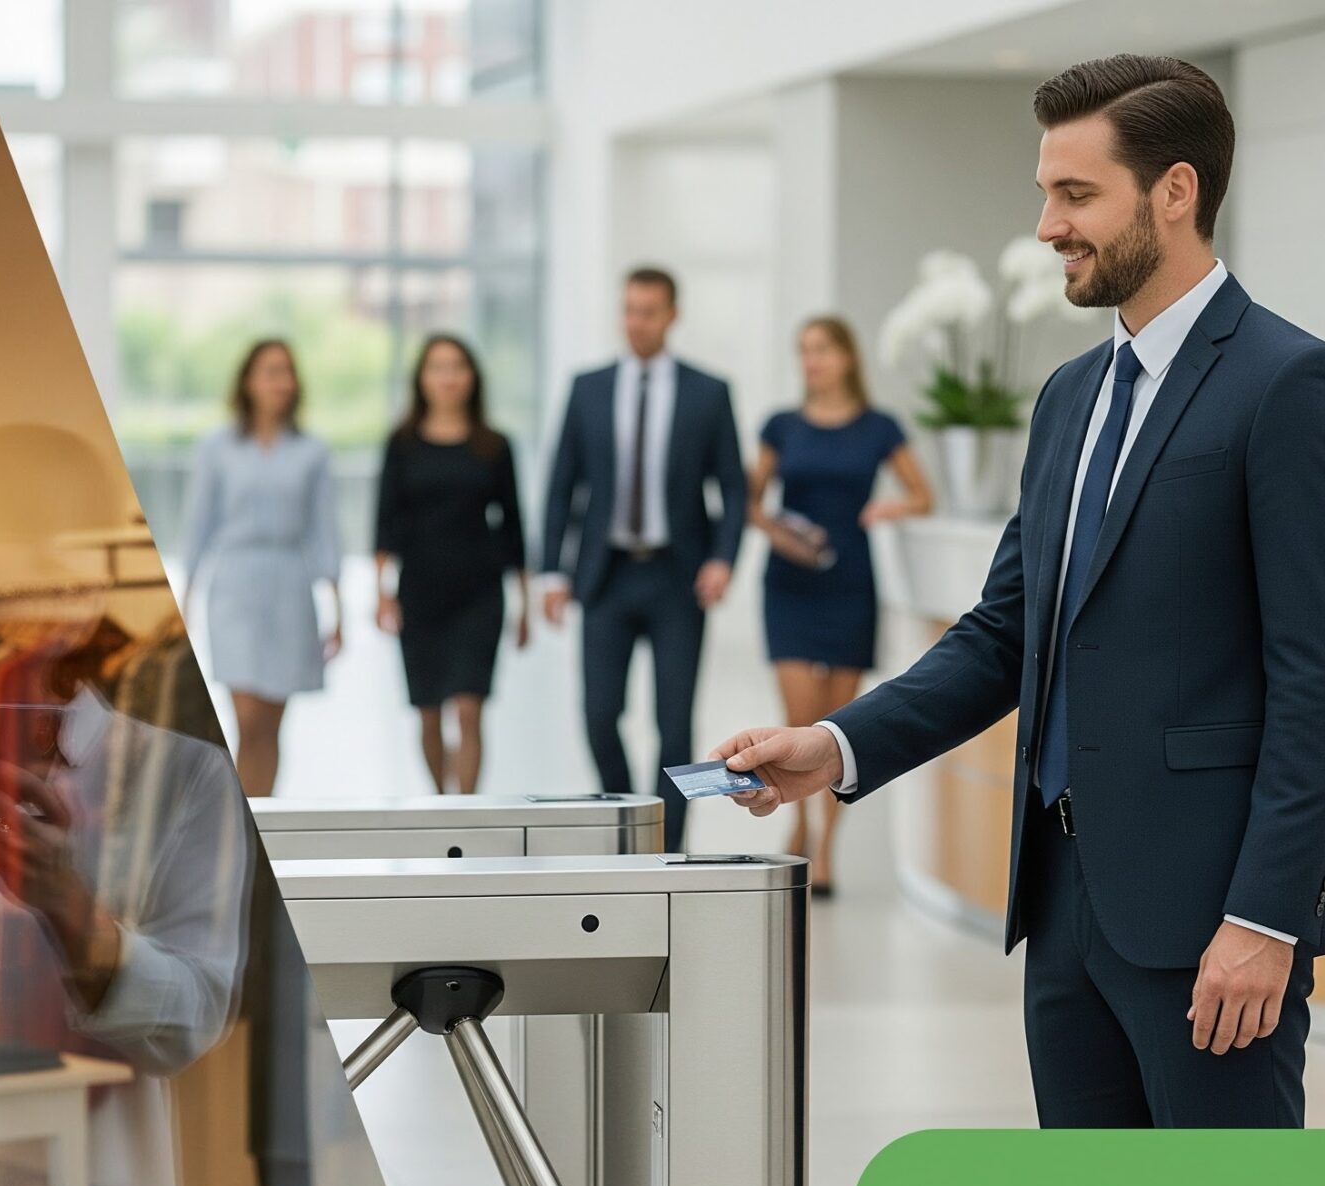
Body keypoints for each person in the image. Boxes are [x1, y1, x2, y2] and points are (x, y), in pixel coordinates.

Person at [716, 56, 1325, 1129]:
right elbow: (1003, 635)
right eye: (1045, 193)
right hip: (1062, 909)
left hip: (1213, 920)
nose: (1046, 226)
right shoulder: (1070, 398)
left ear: (1174, 191)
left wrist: (1265, 917)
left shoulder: (1291, 385)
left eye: (1075, 194)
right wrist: (835, 746)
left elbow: (1322, 682)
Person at [539, 267, 748, 850]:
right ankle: (626, 829)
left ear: (672, 316)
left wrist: (723, 559)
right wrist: (552, 570)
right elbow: (561, 485)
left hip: (678, 578)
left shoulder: (709, 392)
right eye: (629, 309)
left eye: (649, 311)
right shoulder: (588, 388)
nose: (636, 322)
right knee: (598, 715)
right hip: (604, 576)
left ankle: (671, 846)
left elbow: (734, 487)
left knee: (676, 725)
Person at [751, 317, 933, 895]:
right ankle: (799, 824)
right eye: (803, 351)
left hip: (850, 582)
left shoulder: (880, 427)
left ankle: (827, 845)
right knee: (798, 715)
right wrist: (778, 533)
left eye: (822, 350)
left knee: (836, 728)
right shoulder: (781, 425)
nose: (812, 361)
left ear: (847, 357)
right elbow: (749, 502)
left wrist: (889, 508)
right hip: (789, 583)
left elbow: (923, 495)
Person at [178, 338, 343, 798]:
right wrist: (186, 596)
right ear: (248, 381)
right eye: (270, 371)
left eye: (287, 372)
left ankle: (260, 814)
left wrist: (337, 605)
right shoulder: (216, 447)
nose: (280, 382)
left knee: (270, 725)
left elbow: (324, 529)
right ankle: (238, 816)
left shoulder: (312, 451)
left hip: (289, 584)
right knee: (247, 719)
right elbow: (197, 525)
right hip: (235, 583)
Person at [374, 333, 529, 793]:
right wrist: (381, 592)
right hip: (420, 590)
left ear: (472, 378)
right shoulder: (401, 444)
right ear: (421, 379)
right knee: (428, 711)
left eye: (457, 367)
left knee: (468, 707)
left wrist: (524, 601)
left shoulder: (494, 445)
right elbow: (385, 520)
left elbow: (514, 524)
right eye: (437, 367)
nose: (448, 377)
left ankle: (467, 808)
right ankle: (440, 801)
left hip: (479, 591)